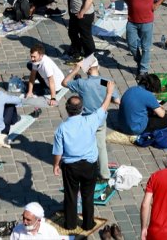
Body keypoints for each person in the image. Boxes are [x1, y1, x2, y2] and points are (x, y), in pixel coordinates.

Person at [52, 79, 115, 231]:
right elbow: (103, 108)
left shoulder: (62, 128)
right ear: (82, 109)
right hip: (89, 165)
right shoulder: (90, 121)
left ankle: (70, 224)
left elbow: (58, 151)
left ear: (67, 109)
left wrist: (56, 165)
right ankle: (88, 224)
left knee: (70, 195)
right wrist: (109, 93)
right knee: (88, 195)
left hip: (70, 167)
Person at [62, 56, 121, 181]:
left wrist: (75, 69)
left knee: (82, 144)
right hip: (100, 120)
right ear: (98, 68)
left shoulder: (81, 83)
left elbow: (64, 82)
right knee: (101, 146)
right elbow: (117, 100)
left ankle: (81, 167)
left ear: (86, 70)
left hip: (85, 120)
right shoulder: (105, 81)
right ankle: (105, 174)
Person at [118, 0, 167, 76]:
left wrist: (157, 4)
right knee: (131, 44)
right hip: (132, 20)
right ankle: (140, 61)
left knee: (146, 47)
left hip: (146, 21)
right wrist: (126, 0)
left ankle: (143, 70)